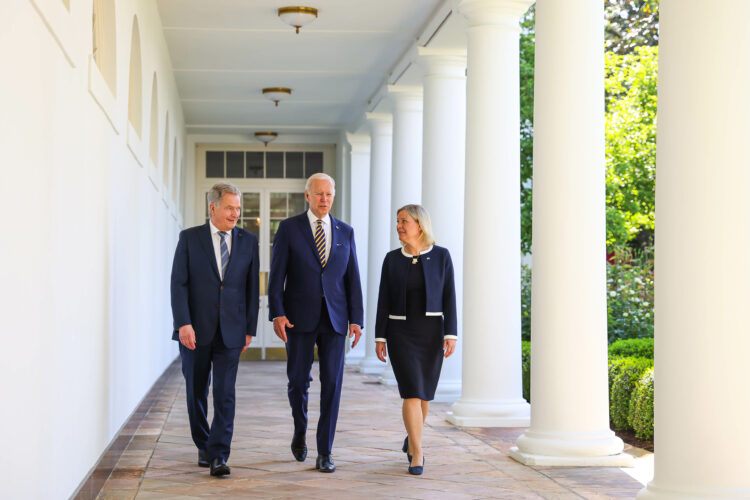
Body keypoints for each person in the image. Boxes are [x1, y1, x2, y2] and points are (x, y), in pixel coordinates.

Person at [268, 172, 364, 473]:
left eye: (329, 194)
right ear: (307, 196)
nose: (324, 199)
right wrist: (277, 312)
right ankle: (300, 428)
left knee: (333, 384)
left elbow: (353, 278)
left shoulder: (345, 231)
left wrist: (357, 319)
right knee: (297, 382)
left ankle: (325, 451)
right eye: (319, 194)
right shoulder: (289, 229)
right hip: (298, 318)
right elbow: (276, 276)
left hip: (336, 319)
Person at [170, 182, 259, 477]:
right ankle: (203, 443)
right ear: (213, 207)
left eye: (238, 208)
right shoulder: (190, 239)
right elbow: (178, 284)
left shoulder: (248, 241)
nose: (236, 214)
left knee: (224, 393)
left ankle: (219, 454)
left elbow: (251, 288)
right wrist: (183, 323)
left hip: (231, 331)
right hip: (194, 330)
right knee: (196, 390)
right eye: (230, 208)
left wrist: (250, 328)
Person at [375, 204, 457, 475]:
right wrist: (380, 337)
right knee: (411, 392)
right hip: (401, 334)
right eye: (397, 221)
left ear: (419, 225)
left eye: (403, 221)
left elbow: (449, 297)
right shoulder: (391, 259)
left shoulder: (442, 256)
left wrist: (451, 334)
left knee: (423, 397)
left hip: (431, 333)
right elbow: (383, 300)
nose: (398, 226)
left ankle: (413, 438)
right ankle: (417, 452)